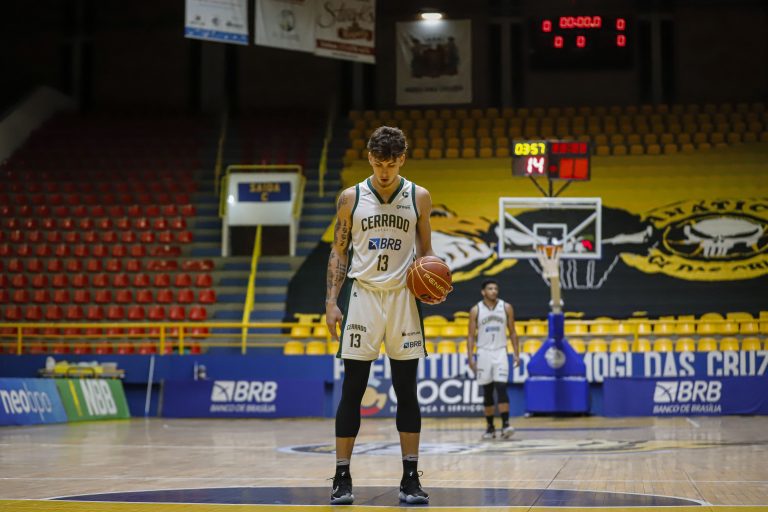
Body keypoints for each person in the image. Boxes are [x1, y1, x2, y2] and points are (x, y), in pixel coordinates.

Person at [325, 126, 448, 505]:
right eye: (378, 164)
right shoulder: (350, 198)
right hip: (362, 295)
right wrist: (331, 301)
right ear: (369, 159)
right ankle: (342, 476)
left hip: (402, 299)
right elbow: (339, 251)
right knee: (353, 388)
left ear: (402, 160)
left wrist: (432, 283)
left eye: (391, 164)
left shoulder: (419, 196)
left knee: (406, 389)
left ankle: (410, 478)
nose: (384, 172)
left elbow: (426, 252)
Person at [467, 279, 520, 439]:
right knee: (488, 390)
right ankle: (490, 427)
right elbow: (470, 336)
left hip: (500, 351)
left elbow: (512, 332)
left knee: (501, 387)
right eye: (490, 288)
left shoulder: (506, 307)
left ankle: (506, 425)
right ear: (483, 292)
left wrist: (516, 353)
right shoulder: (476, 310)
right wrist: (470, 358)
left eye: (496, 288)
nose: (494, 291)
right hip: (483, 352)